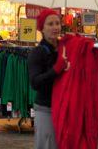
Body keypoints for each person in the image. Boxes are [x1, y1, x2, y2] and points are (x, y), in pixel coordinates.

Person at [28, 9, 69, 149]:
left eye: (57, 23)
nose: (55, 27)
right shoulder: (37, 53)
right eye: (50, 24)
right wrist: (56, 69)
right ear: (42, 28)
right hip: (46, 109)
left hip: (65, 108)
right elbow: (35, 82)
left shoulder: (65, 49)